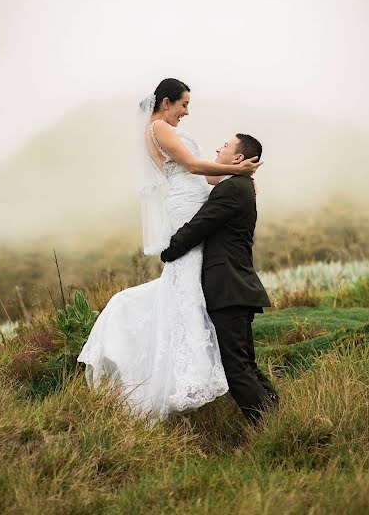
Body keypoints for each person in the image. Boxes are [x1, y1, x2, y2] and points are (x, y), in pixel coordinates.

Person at [77, 78, 262, 425]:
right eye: (183, 104)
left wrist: (239, 181)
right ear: (166, 102)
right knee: (187, 277)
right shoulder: (159, 128)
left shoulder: (165, 129)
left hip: (194, 198)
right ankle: (189, 369)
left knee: (190, 280)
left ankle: (202, 358)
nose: (186, 112)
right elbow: (193, 168)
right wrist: (235, 170)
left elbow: (206, 176)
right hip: (186, 205)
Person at [160, 133, 280, 425]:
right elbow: (206, 180)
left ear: (238, 158)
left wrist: (169, 250)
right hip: (237, 288)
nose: (217, 148)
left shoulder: (233, 190)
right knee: (246, 365)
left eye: (225, 146)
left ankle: (265, 428)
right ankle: (279, 420)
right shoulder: (240, 186)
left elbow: (200, 225)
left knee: (237, 369)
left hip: (229, 289)